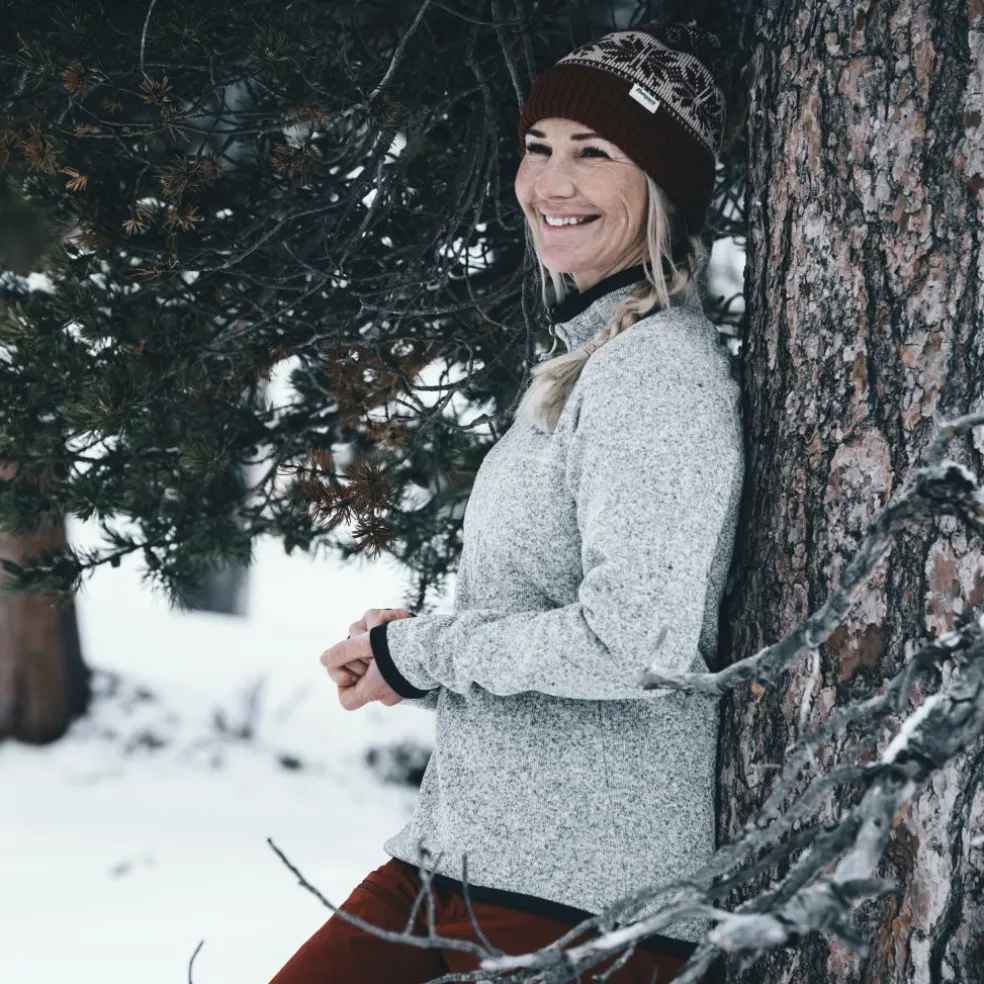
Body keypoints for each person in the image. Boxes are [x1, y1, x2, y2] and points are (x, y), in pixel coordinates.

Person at [270, 20, 743, 984]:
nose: (550, 183)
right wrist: (415, 655)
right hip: (462, 859)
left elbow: (636, 642)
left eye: (593, 153)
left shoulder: (659, 373)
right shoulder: (592, 357)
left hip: (581, 904)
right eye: (539, 147)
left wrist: (429, 650)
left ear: (660, 186)